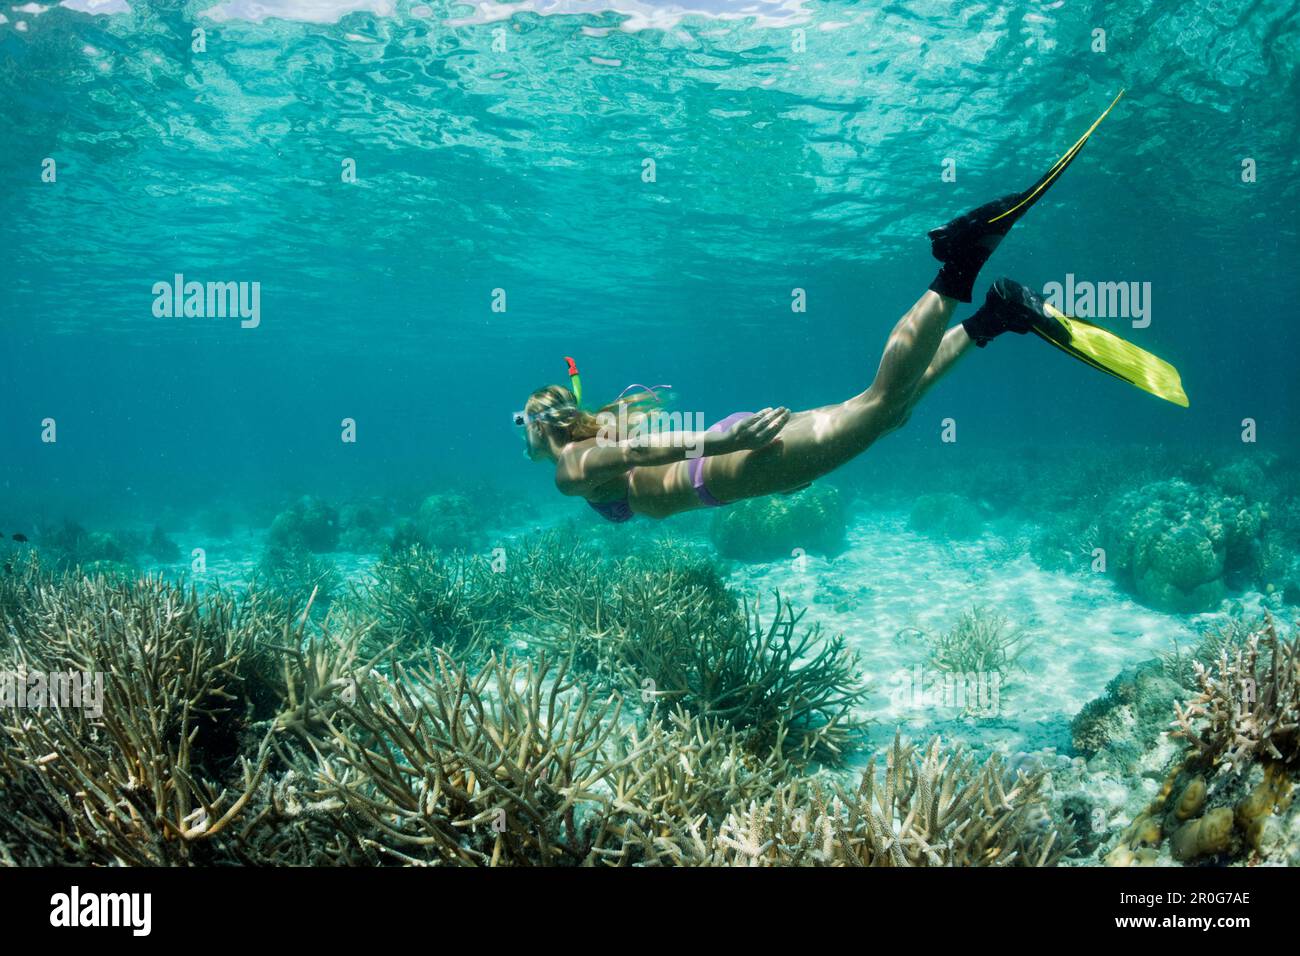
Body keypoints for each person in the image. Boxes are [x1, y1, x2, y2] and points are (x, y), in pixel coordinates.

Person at [516, 92, 1185, 523]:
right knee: (888, 412)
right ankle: (996, 315)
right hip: (739, 467)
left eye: (523, 425)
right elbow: (636, 448)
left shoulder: (571, 471)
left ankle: (961, 263)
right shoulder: (588, 438)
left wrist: (722, 441)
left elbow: (642, 448)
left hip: (733, 461)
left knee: (878, 405)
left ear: (539, 432)